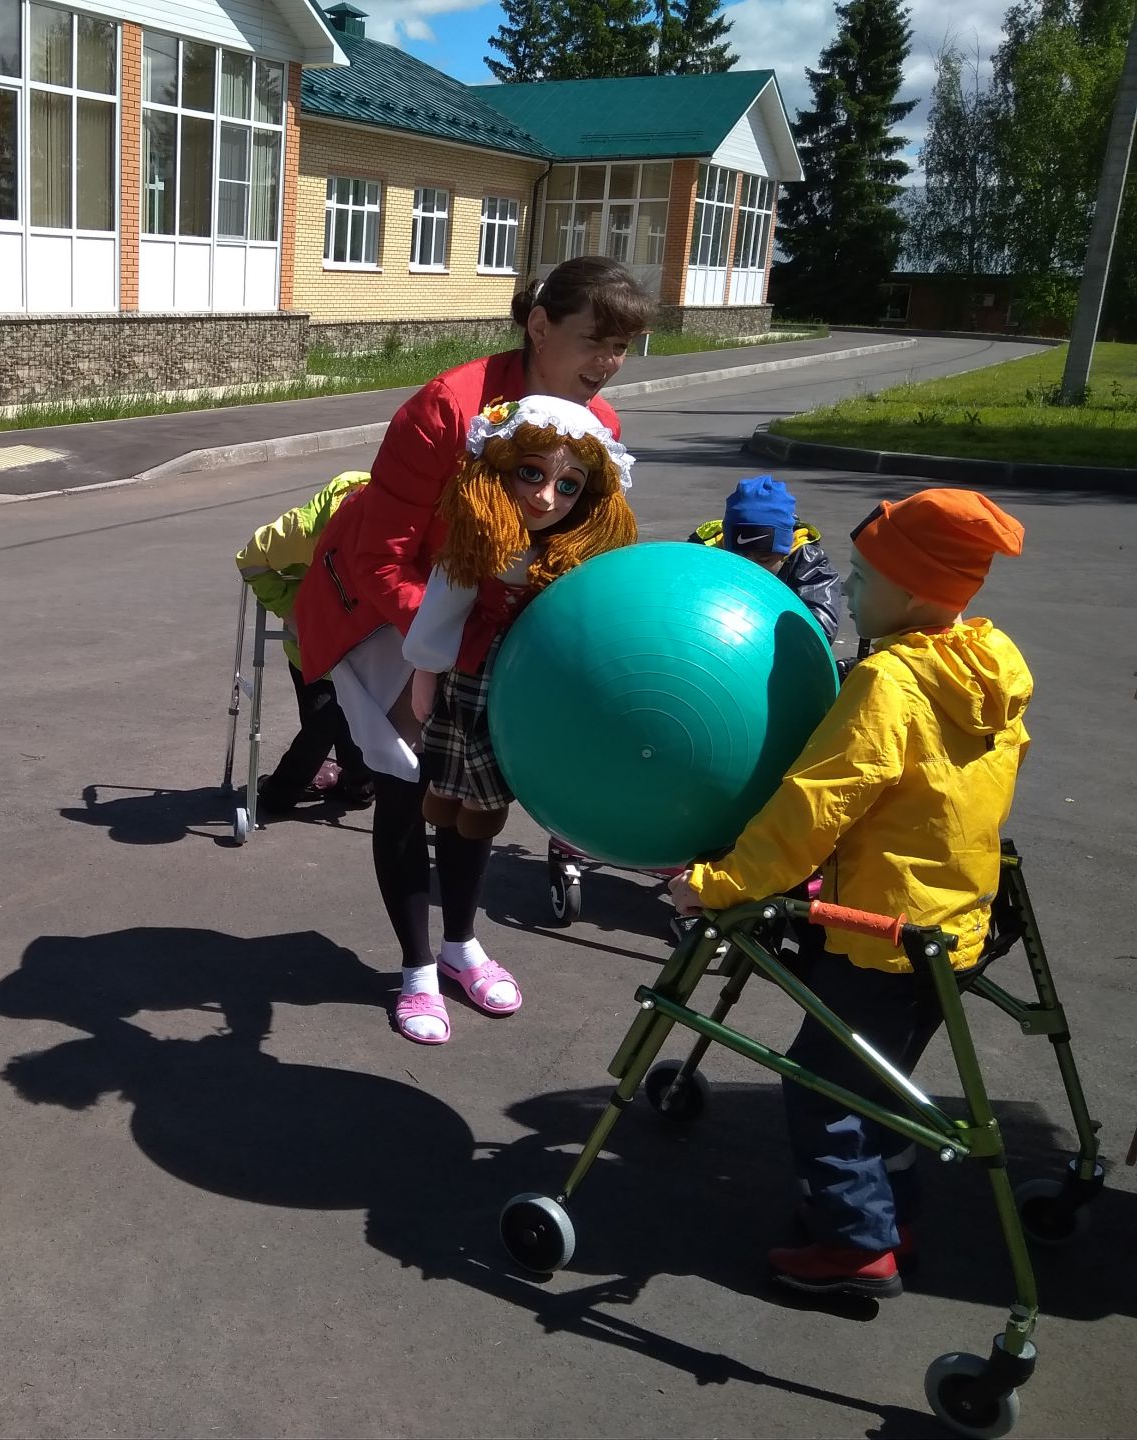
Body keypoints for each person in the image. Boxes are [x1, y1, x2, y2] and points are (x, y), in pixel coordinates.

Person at [668, 488, 1030, 1297]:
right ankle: (888, 1212)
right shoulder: (991, 664)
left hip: (879, 935)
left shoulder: (890, 684)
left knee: (823, 1085)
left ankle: (853, 1243)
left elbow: (815, 804)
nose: (849, 589)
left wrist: (721, 884)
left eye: (863, 578)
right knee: (883, 1080)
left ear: (909, 593)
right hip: (956, 928)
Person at [294, 256, 653, 1042]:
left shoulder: (601, 429)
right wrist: (451, 652)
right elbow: (379, 558)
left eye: (624, 347)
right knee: (409, 781)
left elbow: (576, 547)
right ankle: (416, 968)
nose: (608, 364)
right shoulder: (446, 410)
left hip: (484, 626)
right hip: (391, 615)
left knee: (478, 791)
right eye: (595, 341)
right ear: (538, 325)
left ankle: (461, 945)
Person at [392, 397, 638, 1042]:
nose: (547, 497)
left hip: (527, 694)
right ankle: (419, 967)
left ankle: (460, 944)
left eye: (568, 485)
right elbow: (440, 614)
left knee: (483, 809)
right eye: (531, 474)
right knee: (441, 796)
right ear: (497, 470)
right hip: (469, 680)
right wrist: (423, 676)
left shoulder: (569, 555)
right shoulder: (477, 547)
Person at [233, 471, 374, 814]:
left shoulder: (393, 516)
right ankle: (278, 794)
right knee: (323, 723)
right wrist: (289, 610)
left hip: (366, 642)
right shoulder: (301, 529)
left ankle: (359, 782)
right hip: (310, 645)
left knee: (360, 718)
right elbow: (250, 560)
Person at [688, 475, 842, 641]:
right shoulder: (703, 553)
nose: (751, 570)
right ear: (726, 544)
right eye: (739, 558)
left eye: (763, 558)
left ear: (786, 551)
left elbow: (819, 633)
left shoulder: (808, 564)